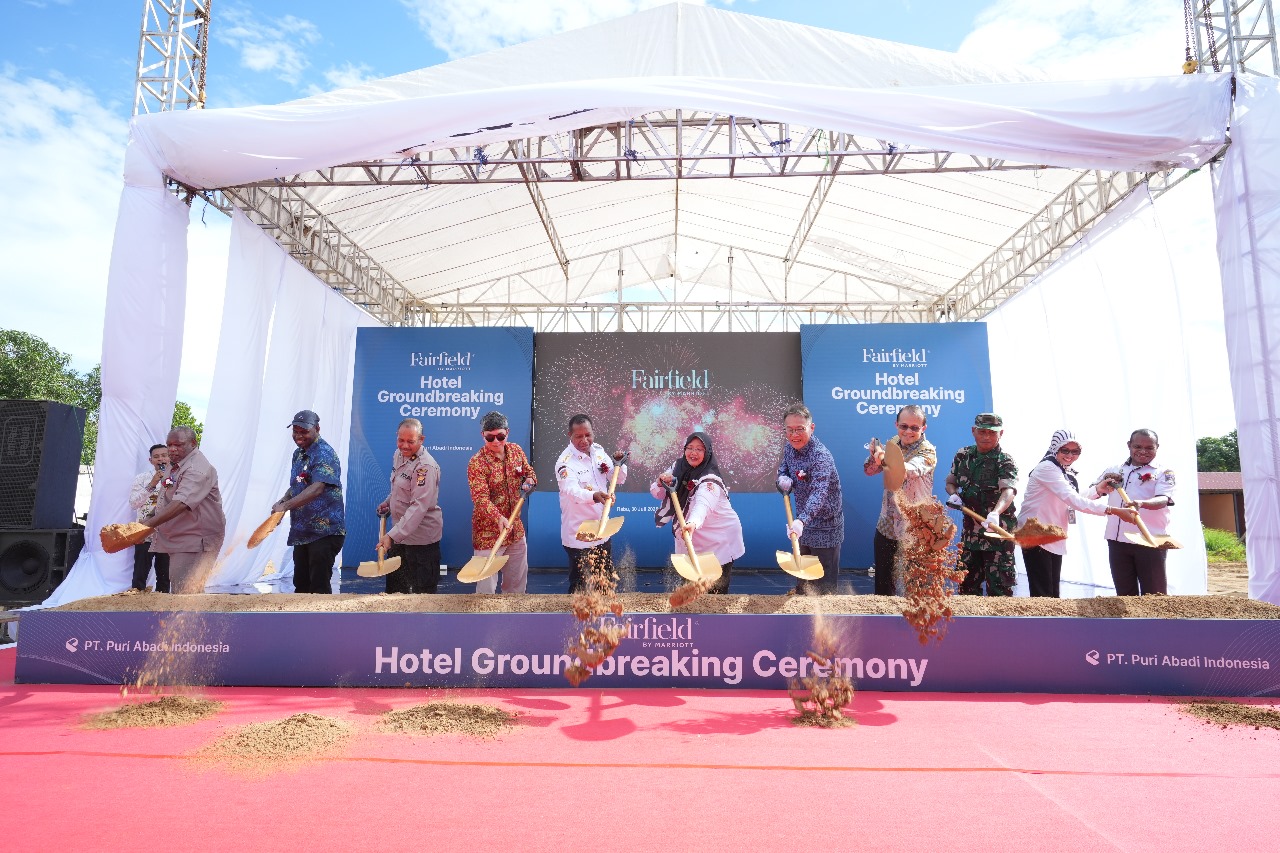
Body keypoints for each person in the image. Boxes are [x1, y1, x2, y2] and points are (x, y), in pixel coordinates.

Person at [1018, 430, 1138, 597]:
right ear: (1055, 448)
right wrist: (1113, 511)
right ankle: (1042, 624)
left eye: (1075, 452)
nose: (1070, 455)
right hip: (1035, 534)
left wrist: (1098, 490)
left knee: (1051, 593)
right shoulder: (1047, 468)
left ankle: (1051, 623)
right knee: (1042, 594)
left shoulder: (1063, 470)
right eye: (1065, 450)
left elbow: (1071, 498)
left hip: (1051, 535)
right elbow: (1072, 500)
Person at [650, 431, 745, 594]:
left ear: (707, 453)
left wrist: (692, 522)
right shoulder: (678, 466)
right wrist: (660, 483)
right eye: (690, 448)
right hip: (690, 536)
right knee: (689, 588)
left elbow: (703, 504)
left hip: (718, 539)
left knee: (715, 591)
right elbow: (657, 492)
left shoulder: (711, 479)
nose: (693, 453)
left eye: (699, 449)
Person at [862, 405, 937, 596]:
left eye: (914, 428)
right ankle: (883, 622)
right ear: (896, 425)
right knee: (884, 586)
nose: (908, 432)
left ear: (924, 428)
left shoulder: (928, 451)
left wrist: (884, 458)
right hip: (887, 524)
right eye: (904, 426)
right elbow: (869, 471)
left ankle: (916, 623)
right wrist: (874, 456)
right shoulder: (893, 443)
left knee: (917, 586)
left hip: (916, 527)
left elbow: (907, 470)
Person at [1092, 428, 1177, 596]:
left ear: (1157, 447)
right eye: (1137, 446)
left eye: (1149, 448)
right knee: (1124, 594)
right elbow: (1094, 492)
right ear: (1129, 446)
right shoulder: (1114, 469)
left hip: (1150, 540)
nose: (1143, 452)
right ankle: (1128, 623)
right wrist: (1102, 486)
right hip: (1117, 540)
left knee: (1154, 595)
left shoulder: (1163, 472)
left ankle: (1155, 623)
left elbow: (1163, 499)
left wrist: (1142, 503)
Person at [142, 426, 226, 594]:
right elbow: (166, 494)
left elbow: (181, 503)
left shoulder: (196, 468)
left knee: (186, 592)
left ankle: (195, 620)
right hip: (181, 536)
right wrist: (150, 516)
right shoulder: (175, 466)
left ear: (193, 443)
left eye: (178, 445)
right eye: (169, 445)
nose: (172, 449)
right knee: (183, 589)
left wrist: (146, 526)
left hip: (197, 539)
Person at [271, 410, 345, 594]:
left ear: (317, 429)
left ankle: (322, 624)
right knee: (301, 585)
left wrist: (286, 506)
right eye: (295, 431)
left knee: (319, 588)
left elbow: (318, 487)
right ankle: (301, 623)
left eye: (303, 431)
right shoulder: (298, 454)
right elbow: (299, 485)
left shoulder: (324, 453)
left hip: (325, 533)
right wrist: (282, 501)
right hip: (303, 531)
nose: (298, 435)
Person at [944, 413, 1018, 597]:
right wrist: (954, 494)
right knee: (966, 589)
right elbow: (950, 481)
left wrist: (996, 513)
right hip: (971, 537)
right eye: (982, 432)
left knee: (999, 593)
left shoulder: (1005, 461)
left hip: (997, 536)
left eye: (992, 433)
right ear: (973, 431)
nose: (986, 437)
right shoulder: (963, 456)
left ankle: (1000, 627)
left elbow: (1008, 491)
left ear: (1001, 434)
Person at [776, 402, 844, 595]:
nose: (794, 435)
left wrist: (801, 520)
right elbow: (784, 469)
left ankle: (827, 623)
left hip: (826, 527)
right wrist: (782, 479)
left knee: (824, 588)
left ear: (811, 428)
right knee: (804, 581)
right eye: (789, 430)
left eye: (800, 429)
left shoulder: (821, 456)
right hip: (803, 526)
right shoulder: (790, 448)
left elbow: (819, 493)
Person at [466, 411, 537, 594]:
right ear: (483, 435)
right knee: (486, 588)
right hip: (488, 534)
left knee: (516, 585)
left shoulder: (516, 451)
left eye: (500, 436)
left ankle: (513, 619)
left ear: (507, 432)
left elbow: (529, 473)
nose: (496, 442)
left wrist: (530, 480)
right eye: (490, 437)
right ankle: (484, 620)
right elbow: (480, 498)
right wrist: (498, 517)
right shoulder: (477, 463)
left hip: (515, 531)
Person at [556, 413, 628, 593]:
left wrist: (620, 463)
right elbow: (572, 492)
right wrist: (594, 496)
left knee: (605, 584)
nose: (584, 440)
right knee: (581, 589)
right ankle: (575, 621)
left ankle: (605, 621)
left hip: (602, 530)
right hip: (579, 535)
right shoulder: (564, 464)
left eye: (588, 435)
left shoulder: (598, 451)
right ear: (569, 436)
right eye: (578, 436)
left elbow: (617, 479)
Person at [377, 418, 443, 594]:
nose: (404, 446)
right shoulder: (398, 455)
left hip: (421, 542)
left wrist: (391, 536)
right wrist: (388, 502)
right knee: (396, 592)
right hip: (400, 538)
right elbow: (401, 489)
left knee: (422, 598)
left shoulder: (425, 467)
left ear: (421, 440)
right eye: (401, 440)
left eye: (410, 441)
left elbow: (418, 506)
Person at [128, 443, 171, 592]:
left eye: (164, 456)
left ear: (170, 457)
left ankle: (162, 608)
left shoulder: (178, 478)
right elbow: (134, 503)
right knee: (140, 574)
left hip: (168, 534)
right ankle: (136, 607)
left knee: (165, 576)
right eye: (156, 457)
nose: (161, 459)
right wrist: (152, 484)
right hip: (145, 533)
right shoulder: (142, 479)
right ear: (150, 460)